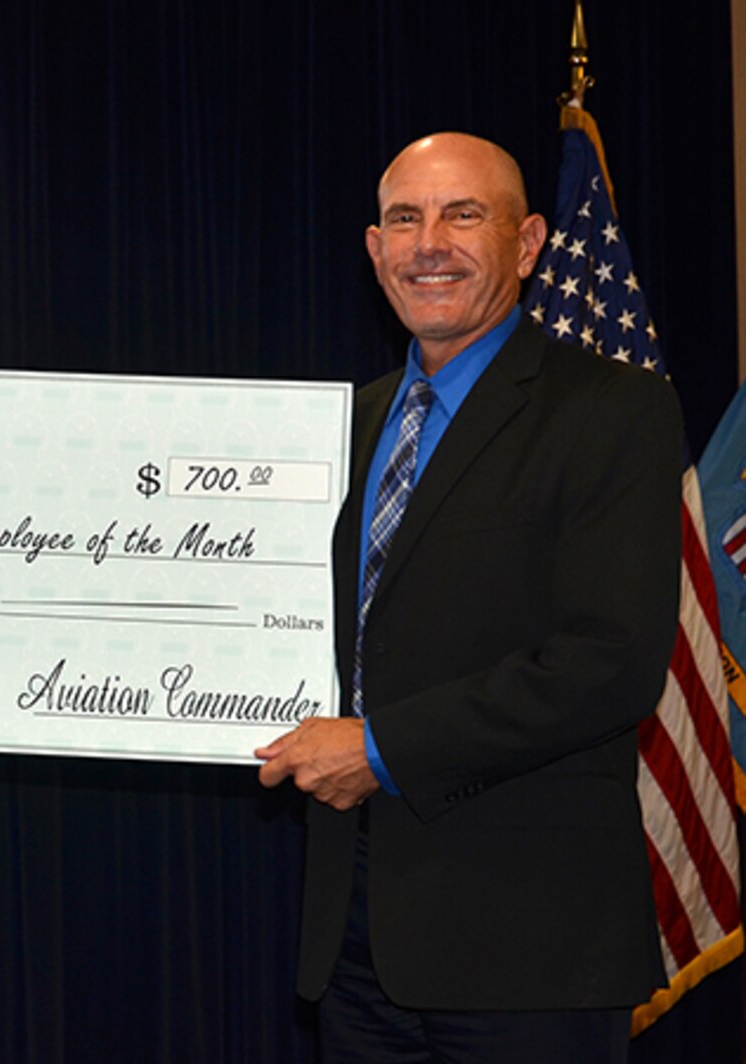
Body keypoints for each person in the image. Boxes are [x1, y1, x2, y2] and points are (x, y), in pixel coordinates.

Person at [257, 133, 679, 1060]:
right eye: (405, 218)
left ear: (527, 245)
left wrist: (381, 747)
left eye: (463, 214)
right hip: (357, 942)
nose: (429, 243)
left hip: (529, 948)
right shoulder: (343, 424)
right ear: (374, 250)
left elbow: (609, 663)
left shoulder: (613, 411)